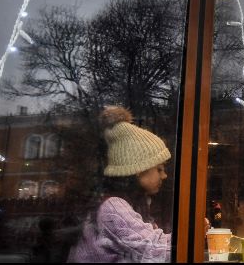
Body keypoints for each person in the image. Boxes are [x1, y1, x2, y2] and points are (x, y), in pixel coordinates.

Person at [68, 106, 172, 262]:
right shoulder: (113, 208)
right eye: (159, 169)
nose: (164, 176)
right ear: (138, 169)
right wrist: (193, 232)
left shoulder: (133, 204)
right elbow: (156, 251)